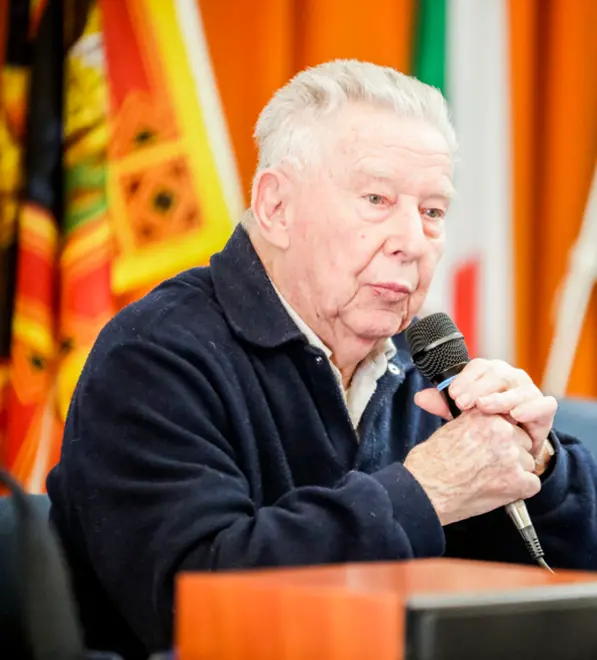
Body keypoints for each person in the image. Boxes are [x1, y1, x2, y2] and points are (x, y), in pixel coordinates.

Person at [47, 60, 597, 659]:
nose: (412, 241)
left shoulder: (426, 365)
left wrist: (539, 472)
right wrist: (426, 491)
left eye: (432, 212)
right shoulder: (154, 355)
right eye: (376, 199)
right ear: (277, 208)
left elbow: (548, 593)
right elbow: (194, 603)